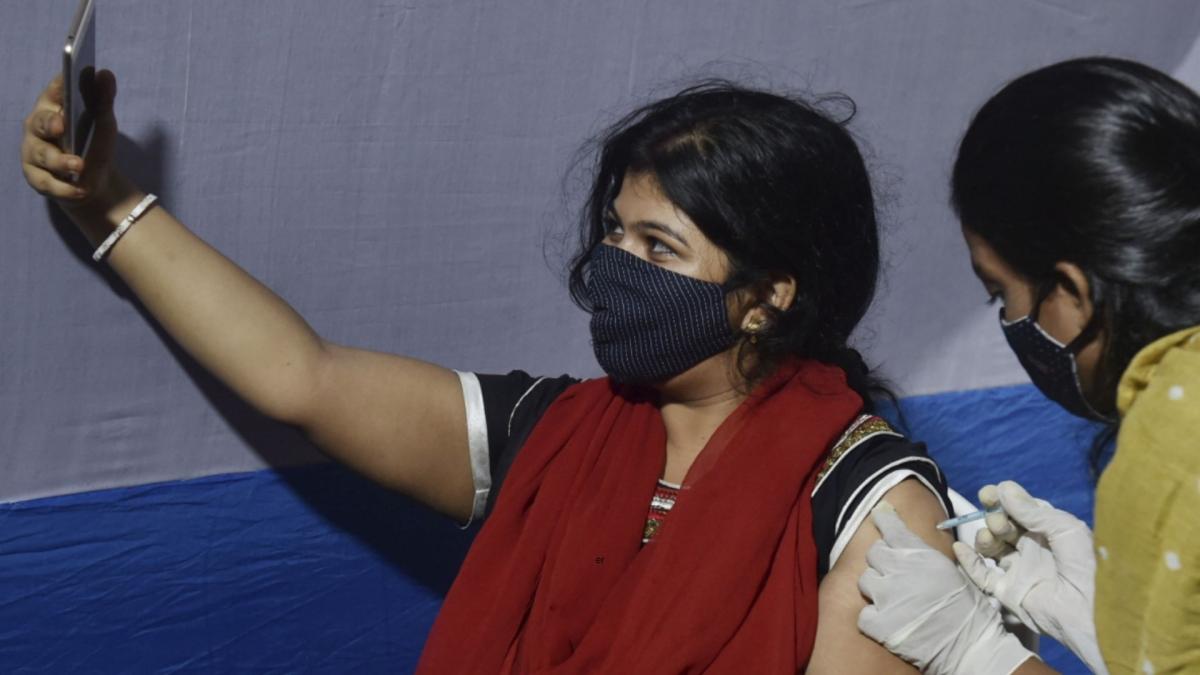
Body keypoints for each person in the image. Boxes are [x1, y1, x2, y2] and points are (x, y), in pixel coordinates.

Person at [22, 71, 960, 672]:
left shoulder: (870, 505)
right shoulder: (557, 435)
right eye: (613, 234)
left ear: (768, 296)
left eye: (659, 248)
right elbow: (297, 375)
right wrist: (107, 204)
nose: (614, 269)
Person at [856, 57, 1200, 675]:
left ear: (1071, 288)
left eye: (1001, 293)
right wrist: (1112, 620)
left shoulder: (1177, 440)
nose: (1008, 317)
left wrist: (979, 653)